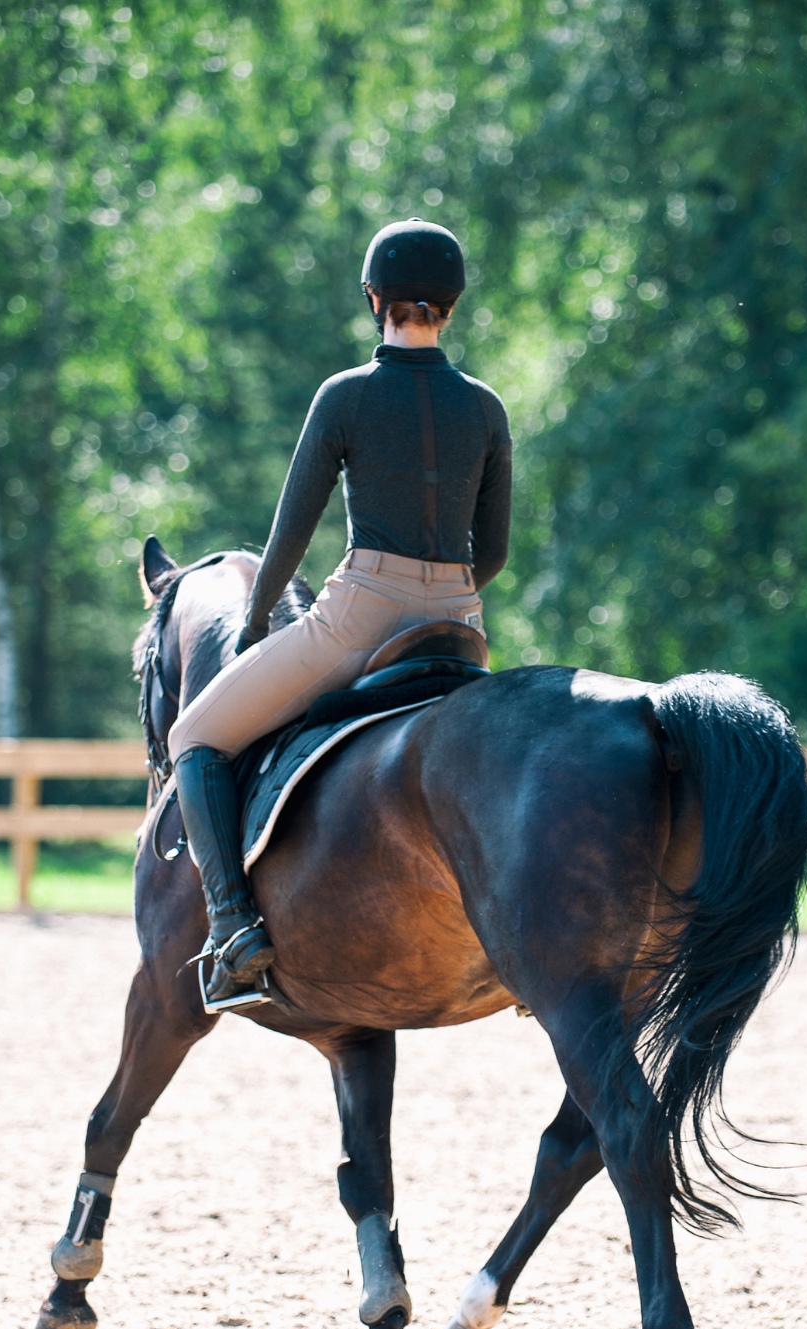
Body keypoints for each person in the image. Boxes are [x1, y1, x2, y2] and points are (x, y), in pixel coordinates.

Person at [166, 218, 512, 1004]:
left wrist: (256, 625)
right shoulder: (484, 407)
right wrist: (444, 586)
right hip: (460, 621)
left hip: (362, 613)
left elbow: (287, 537)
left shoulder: (345, 395)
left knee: (194, 738)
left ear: (372, 300)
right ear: (450, 307)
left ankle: (233, 931)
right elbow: (492, 550)